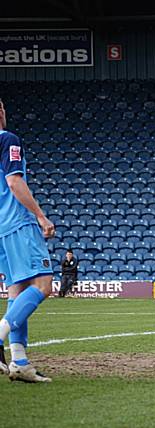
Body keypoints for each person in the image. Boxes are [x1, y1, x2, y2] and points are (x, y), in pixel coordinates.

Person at [0, 98, 56, 383]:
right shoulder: (7, 139)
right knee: (43, 285)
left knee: (17, 292)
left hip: (0, 229)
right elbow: (14, 182)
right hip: (17, 223)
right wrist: (41, 216)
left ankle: (19, 362)